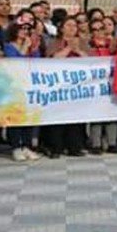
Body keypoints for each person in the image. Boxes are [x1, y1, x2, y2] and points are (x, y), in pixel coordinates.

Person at [45, 17, 89, 157]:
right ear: (62, 28)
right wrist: (69, 48)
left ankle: (74, 147)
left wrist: (79, 50)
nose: (72, 28)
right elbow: (52, 59)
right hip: (58, 86)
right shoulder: (54, 42)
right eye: (68, 25)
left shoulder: (82, 43)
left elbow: (92, 60)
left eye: (74, 25)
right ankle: (55, 147)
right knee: (57, 118)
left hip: (78, 87)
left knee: (76, 117)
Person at [3, 17, 42, 161]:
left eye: (27, 29)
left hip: (30, 86)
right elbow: (16, 62)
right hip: (14, 87)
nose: (24, 31)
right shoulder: (9, 46)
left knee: (29, 117)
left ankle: (27, 145)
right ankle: (15, 147)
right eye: (22, 28)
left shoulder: (32, 46)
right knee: (16, 117)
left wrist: (34, 49)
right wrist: (25, 47)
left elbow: (37, 63)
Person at [87, 19, 117, 154]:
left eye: (101, 28)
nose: (99, 32)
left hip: (111, 83)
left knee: (112, 112)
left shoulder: (112, 45)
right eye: (95, 29)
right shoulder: (88, 46)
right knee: (97, 113)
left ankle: (112, 143)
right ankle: (96, 143)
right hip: (94, 84)